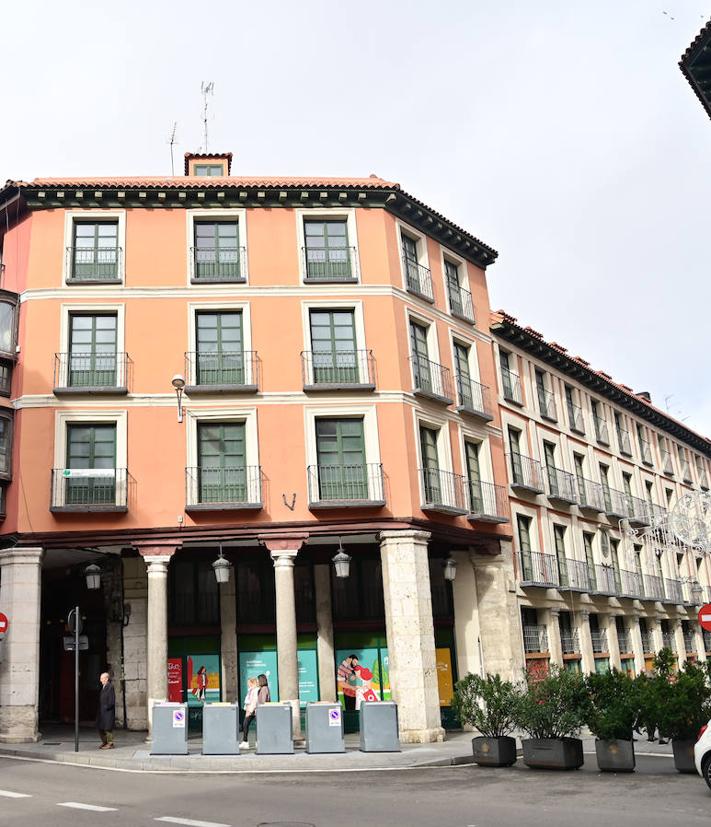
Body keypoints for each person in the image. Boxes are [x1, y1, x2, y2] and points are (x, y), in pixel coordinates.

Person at [96, 671, 116, 750]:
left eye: (102, 678)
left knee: (108, 729)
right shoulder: (104, 686)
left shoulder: (110, 687)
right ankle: (105, 742)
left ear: (106, 679)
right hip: (102, 712)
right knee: (100, 727)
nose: (100, 680)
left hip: (108, 712)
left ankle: (110, 743)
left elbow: (111, 700)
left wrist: (106, 707)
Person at [239, 677, 259, 750]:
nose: (248, 684)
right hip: (249, 710)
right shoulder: (251, 690)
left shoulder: (256, 690)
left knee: (256, 726)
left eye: (249, 683)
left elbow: (254, 701)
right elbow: (248, 700)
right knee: (245, 724)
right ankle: (245, 742)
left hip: (254, 710)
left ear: (252, 682)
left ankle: (257, 742)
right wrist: (246, 709)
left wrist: (250, 711)